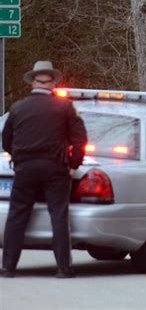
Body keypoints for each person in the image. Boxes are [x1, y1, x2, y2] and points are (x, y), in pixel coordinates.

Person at [0, 61, 87, 278]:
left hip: (25, 167)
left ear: (33, 83)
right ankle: (63, 268)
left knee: (17, 215)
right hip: (55, 168)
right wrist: (73, 164)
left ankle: (8, 267)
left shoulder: (18, 107)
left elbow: (6, 139)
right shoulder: (65, 107)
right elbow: (80, 139)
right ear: (53, 83)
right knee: (58, 215)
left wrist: (18, 158)